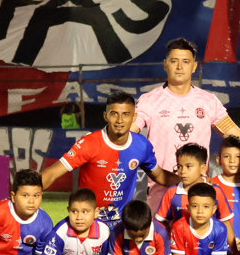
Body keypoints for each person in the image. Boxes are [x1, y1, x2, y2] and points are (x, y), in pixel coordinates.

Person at [131, 38, 240, 214]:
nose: (179, 66)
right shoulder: (149, 101)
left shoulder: (208, 101)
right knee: (161, 240)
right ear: (165, 64)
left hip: (198, 196)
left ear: (194, 66)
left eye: (185, 61)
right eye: (174, 61)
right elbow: (128, 135)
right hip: (161, 191)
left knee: (198, 239)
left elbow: (239, 138)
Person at [42, 92, 178, 230]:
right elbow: (52, 173)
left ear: (134, 117)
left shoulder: (142, 145)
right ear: (105, 116)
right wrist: (25, 192)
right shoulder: (89, 144)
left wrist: (190, 182)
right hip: (88, 224)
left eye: (126, 114)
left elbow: (160, 176)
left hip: (122, 226)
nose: (120, 120)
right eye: (114, 114)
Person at [155, 143, 235, 246]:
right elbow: (161, 223)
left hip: (210, 252)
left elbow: (225, 222)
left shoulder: (215, 191)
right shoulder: (171, 192)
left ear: (202, 169)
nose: (183, 171)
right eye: (179, 167)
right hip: (179, 253)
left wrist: (235, 251)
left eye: (188, 166)